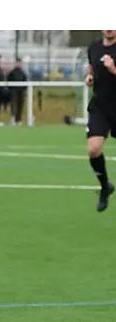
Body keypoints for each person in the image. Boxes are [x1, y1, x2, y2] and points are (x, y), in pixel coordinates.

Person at [86, 30, 116, 211]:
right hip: (100, 107)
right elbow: (91, 68)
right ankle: (105, 186)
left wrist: (113, 69)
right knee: (93, 149)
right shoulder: (94, 48)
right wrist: (89, 77)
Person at [6, 58, 27, 126]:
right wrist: (11, 89)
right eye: (16, 63)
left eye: (19, 63)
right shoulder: (12, 72)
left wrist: (23, 89)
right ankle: (13, 118)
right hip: (13, 91)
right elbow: (8, 81)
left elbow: (25, 81)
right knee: (13, 105)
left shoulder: (23, 72)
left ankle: (19, 119)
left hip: (21, 91)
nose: (18, 64)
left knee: (20, 105)